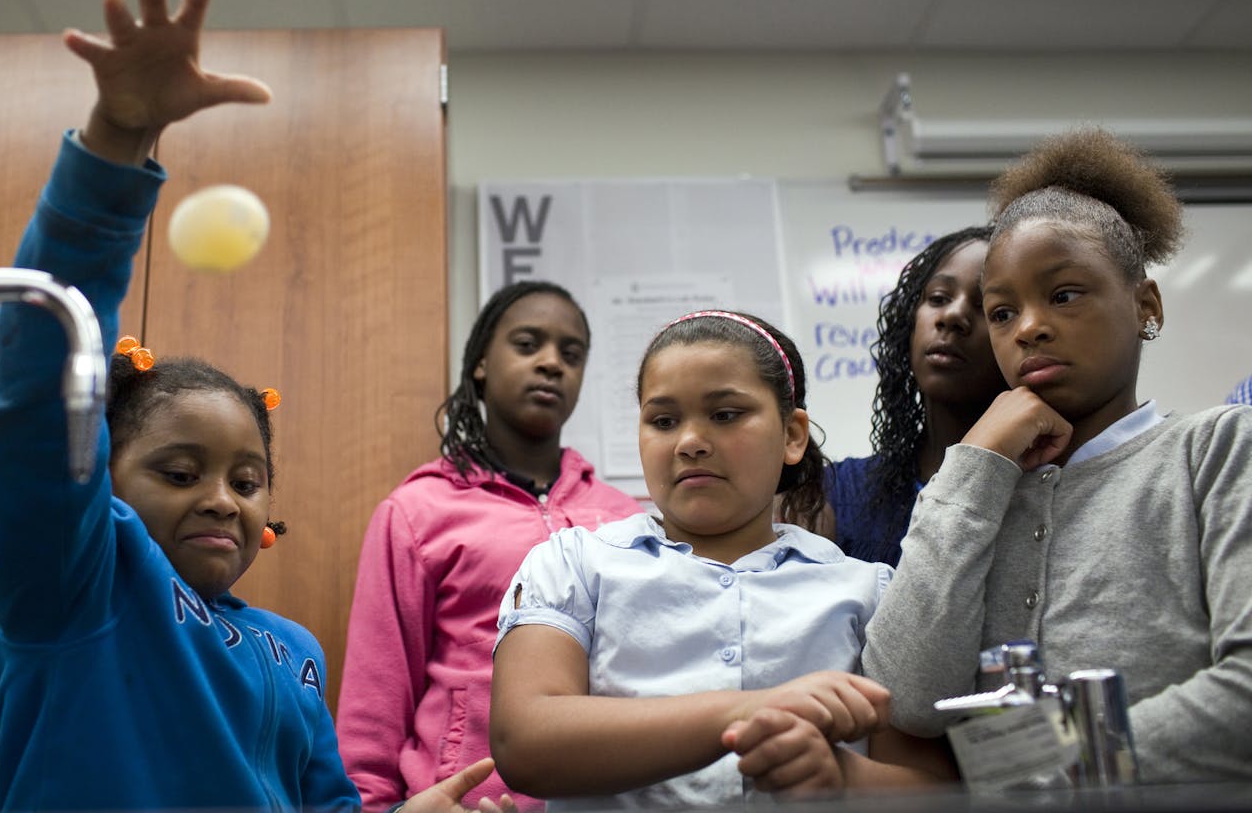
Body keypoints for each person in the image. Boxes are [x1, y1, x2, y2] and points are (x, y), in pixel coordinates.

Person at [0, 0, 509, 811]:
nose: (222, 498)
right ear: (100, 480)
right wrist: (115, 146)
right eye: (181, 472)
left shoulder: (294, 649)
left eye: (247, 481)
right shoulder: (76, 582)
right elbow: (21, 408)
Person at [862, 127, 1252, 782]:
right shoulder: (978, 493)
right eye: (1003, 313)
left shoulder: (1216, 449)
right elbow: (910, 697)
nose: (1030, 327)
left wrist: (1045, 765)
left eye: (1064, 294)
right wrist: (978, 459)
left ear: (1145, 307)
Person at [489, 310, 954, 809]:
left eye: (726, 414)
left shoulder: (869, 592)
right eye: (663, 421)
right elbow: (525, 742)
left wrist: (845, 780)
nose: (690, 442)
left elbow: (939, 790)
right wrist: (745, 711)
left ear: (793, 436)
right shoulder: (572, 565)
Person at [337, 281, 643, 812]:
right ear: (481, 362)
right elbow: (373, 705)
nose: (552, 363)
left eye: (571, 355)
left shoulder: (626, 517)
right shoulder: (418, 511)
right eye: (528, 344)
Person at [825, 225, 1007, 565]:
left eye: (988, 306)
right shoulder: (837, 492)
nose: (952, 316)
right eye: (938, 298)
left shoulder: (1046, 496)